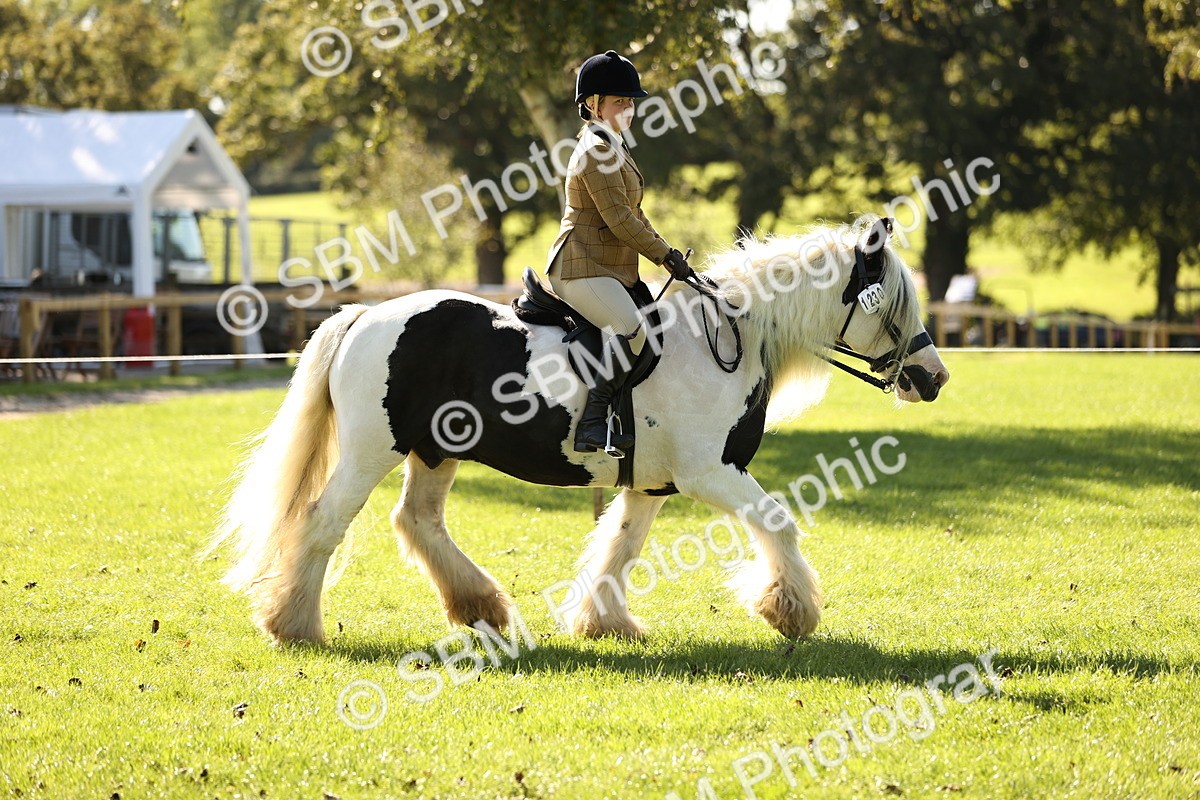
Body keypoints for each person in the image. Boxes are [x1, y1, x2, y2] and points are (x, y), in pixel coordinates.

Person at [546, 49, 692, 455]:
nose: (627, 109)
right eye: (618, 102)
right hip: (580, 268)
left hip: (606, 269)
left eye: (630, 102)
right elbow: (620, 222)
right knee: (634, 330)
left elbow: (636, 215)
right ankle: (592, 424)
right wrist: (663, 256)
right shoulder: (596, 151)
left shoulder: (615, 147)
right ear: (592, 105)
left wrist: (670, 252)